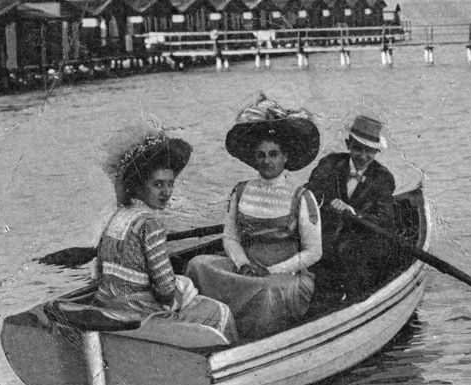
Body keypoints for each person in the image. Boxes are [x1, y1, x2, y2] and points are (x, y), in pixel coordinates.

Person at [186, 97, 323, 342]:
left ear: (285, 158)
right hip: (246, 270)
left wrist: (271, 271)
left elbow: (314, 252)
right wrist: (242, 264)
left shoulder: (302, 196)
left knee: (268, 291)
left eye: (273, 154)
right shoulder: (240, 191)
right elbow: (230, 237)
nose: (267, 161)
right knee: (198, 264)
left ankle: (248, 342)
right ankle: (210, 332)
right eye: (261, 155)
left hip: (284, 276)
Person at [90, 126, 236, 342]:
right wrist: (179, 296)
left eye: (170, 184)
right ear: (138, 187)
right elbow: (166, 289)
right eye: (158, 185)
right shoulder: (150, 224)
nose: (166, 192)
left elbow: (100, 272)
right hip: (140, 311)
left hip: (108, 304)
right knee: (218, 310)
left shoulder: (117, 217)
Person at [305, 114, 397, 305]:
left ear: (377, 151)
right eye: (358, 148)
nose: (363, 156)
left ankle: (351, 299)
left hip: (361, 244)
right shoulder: (329, 164)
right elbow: (310, 196)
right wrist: (327, 202)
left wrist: (353, 212)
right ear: (348, 144)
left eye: (369, 151)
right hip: (327, 239)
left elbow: (385, 221)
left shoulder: (383, 178)